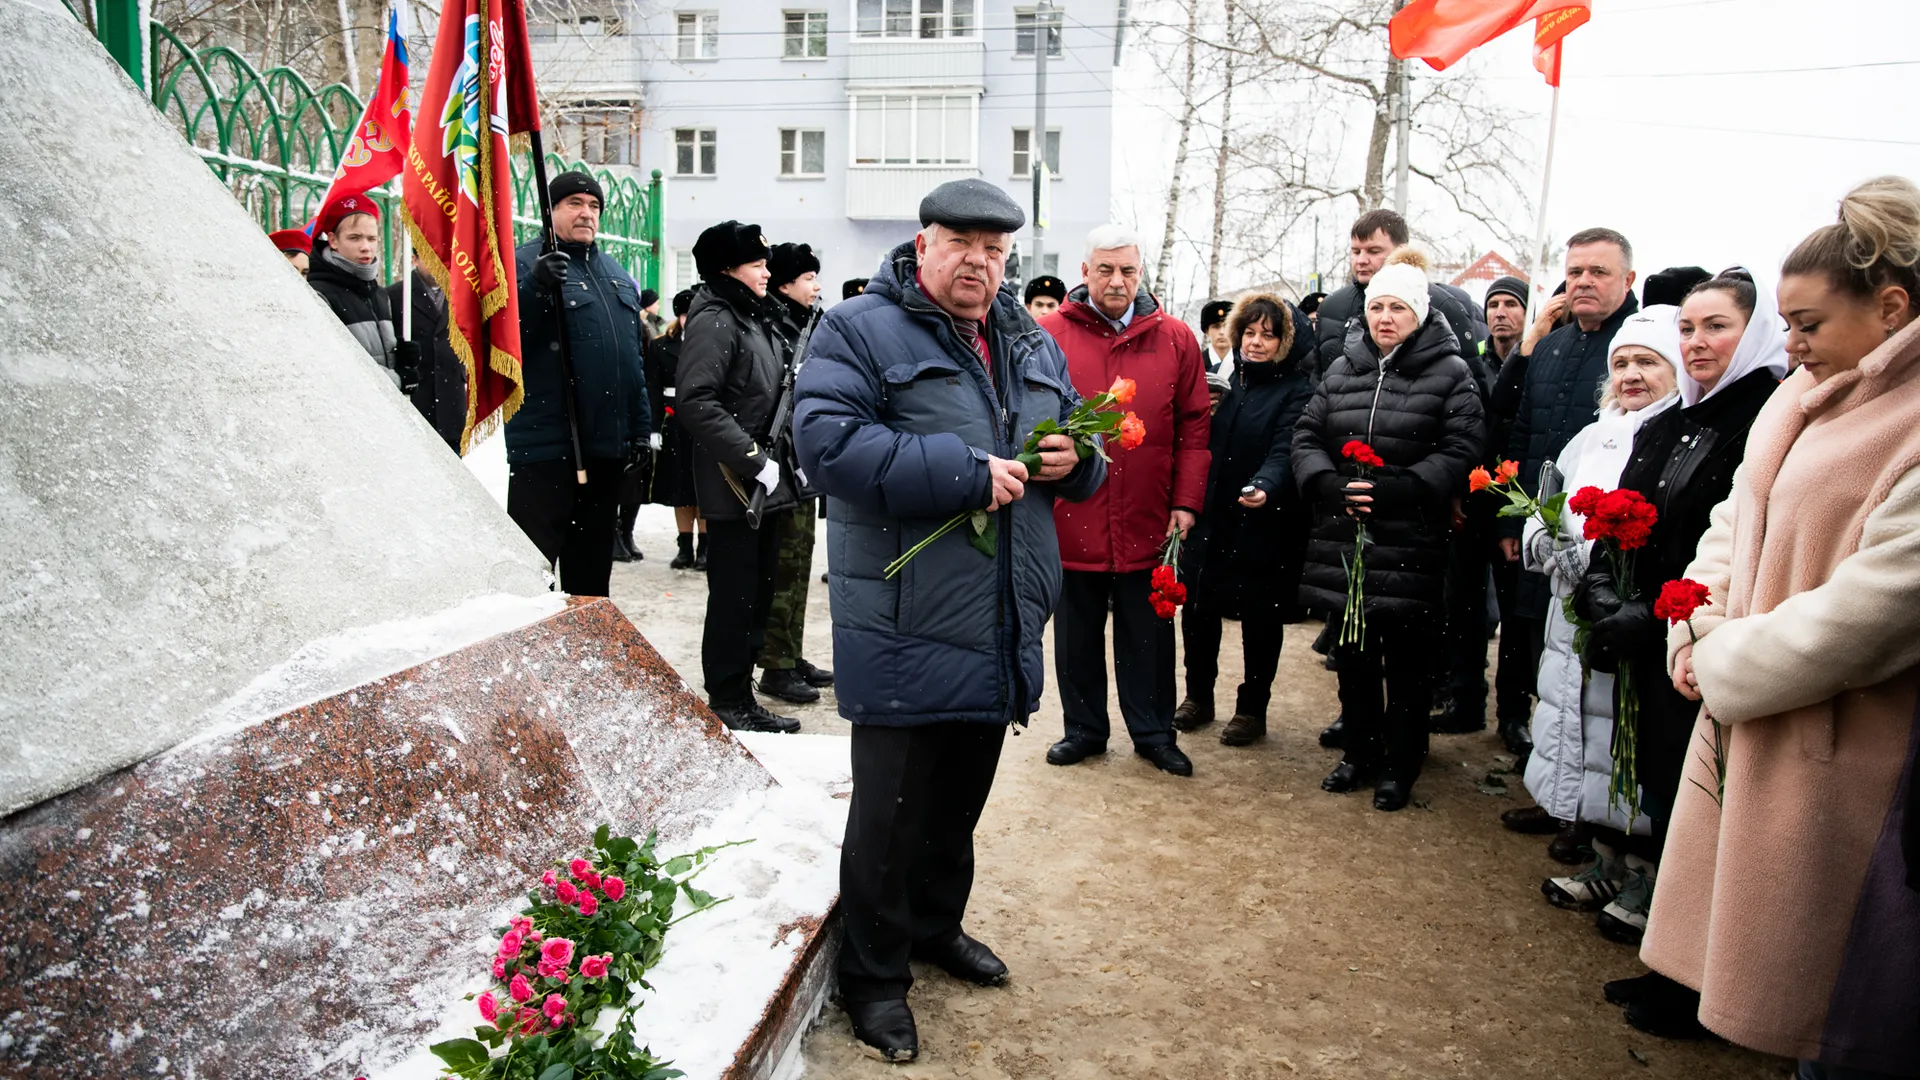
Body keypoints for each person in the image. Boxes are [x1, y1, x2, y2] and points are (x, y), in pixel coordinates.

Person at [793, 178, 1105, 1062]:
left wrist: (1077, 460)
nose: (979, 262)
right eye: (961, 243)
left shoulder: (1028, 339)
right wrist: (965, 472)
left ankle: (934, 927)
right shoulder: (857, 328)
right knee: (890, 816)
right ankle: (874, 977)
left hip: (999, 615)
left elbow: (1079, 448)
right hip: (903, 617)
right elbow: (826, 446)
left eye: (995, 250)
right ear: (923, 244)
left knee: (958, 803)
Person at [1638, 177, 1920, 1077]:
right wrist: (1693, 623)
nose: (1789, 344)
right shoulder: (1799, 395)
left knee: (1844, 1001)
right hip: (1756, 704)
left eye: (1808, 324)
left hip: (1849, 744)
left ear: (1890, 308)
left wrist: (1726, 663)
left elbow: (1874, 611)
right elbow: (1735, 518)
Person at [1564, 266, 1788, 1035]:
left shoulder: (1760, 420)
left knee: (1704, 811)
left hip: (1701, 641)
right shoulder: (1668, 422)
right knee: (1664, 799)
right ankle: (1670, 961)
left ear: (1754, 333)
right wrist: (1603, 592)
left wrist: (1653, 612)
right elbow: (1621, 518)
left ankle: (1702, 982)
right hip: (1649, 635)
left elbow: (1723, 544)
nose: (1696, 342)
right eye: (1687, 327)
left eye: (1716, 327)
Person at [1293, 247, 1484, 812]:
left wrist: (1404, 488)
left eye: (1398, 307)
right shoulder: (1343, 367)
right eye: (1377, 307)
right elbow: (1307, 434)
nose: (1384, 318)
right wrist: (1327, 483)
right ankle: (1359, 751)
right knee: (1353, 654)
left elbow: (1464, 446)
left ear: (1419, 314)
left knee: (1406, 663)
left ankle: (1400, 764)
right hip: (1346, 533)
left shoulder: (1450, 373)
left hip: (1409, 536)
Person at [1518, 307, 1681, 913]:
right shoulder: (1594, 434)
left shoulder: (1674, 436)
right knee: (1585, 736)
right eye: (1622, 363)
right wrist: (1547, 543)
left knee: (1624, 739)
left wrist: (1611, 574)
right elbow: (1547, 500)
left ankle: (1643, 872)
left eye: (1648, 362)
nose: (1631, 375)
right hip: (1573, 609)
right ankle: (1604, 859)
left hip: (1629, 613)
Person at [1040, 224, 1211, 779]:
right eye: (1106, 269)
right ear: (1085, 271)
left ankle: (1154, 732)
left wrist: (1186, 501)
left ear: (1141, 273)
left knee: (1149, 635)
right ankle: (1084, 729)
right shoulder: (1049, 335)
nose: (1117, 281)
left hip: (1149, 513)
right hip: (1073, 513)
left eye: (1128, 270)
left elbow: (1194, 427)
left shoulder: (1176, 338)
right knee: (1076, 633)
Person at [1496, 228, 1641, 770]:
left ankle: (1581, 773)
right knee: (1530, 632)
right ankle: (1529, 737)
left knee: (1585, 651)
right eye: (1575, 271)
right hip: (1539, 523)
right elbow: (1523, 431)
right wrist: (1513, 521)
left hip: (1601, 535)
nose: (1584, 281)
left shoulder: (1636, 347)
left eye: (1598, 272)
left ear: (1628, 279)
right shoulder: (1552, 346)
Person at [678, 220, 805, 734]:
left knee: (759, 592)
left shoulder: (753, 316)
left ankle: (742, 694)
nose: (766, 272)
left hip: (764, 484)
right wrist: (753, 459)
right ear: (727, 269)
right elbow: (697, 401)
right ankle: (728, 699)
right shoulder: (717, 318)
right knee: (735, 597)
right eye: (757, 264)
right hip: (734, 485)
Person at [1173, 295, 1315, 746]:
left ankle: (1252, 708)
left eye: (1268, 336)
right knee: (1199, 608)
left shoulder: (1297, 389)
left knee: (1260, 616)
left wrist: (1265, 485)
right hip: (1214, 515)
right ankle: (1198, 696)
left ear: (1285, 342)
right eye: (1249, 333)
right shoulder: (1226, 383)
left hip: (1264, 520)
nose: (1255, 343)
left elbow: (1286, 448)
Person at [506, 171, 651, 598]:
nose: (586, 213)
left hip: (604, 450)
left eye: (594, 206)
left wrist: (640, 429)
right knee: (532, 578)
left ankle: (587, 642)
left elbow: (631, 362)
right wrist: (535, 286)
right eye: (574, 204)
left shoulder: (616, 274)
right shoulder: (521, 264)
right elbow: (505, 344)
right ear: (549, 211)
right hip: (547, 448)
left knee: (591, 579)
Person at [756, 241, 835, 705]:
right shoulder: (774, 326)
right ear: (785, 285)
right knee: (783, 565)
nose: (817, 286)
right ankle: (776, 664)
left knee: (800, 561)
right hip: (779, 466)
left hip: (801, 464)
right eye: (808, 278)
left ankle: (791, 652)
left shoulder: (805, 323)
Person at [1312, 209, 1487, 385]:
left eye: (1373, 251)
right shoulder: (1331, 307)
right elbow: (1318, 382)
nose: (1361, 260)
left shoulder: (1442, 305)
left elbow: (1469, 385)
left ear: (1401, 250)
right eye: (1356, 252)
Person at [307, 195, 408, 391]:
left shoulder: (379, 294)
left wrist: (401, 359)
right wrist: (397, 380)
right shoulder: (318, 293)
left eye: (371, 239)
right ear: (333, 240)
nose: (365, 247)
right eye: (354, 238)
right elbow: (339, 364)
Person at [646, 290, 706, 570]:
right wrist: (654, 427)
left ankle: (705, 547)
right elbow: (653, 389)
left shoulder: (711, 343)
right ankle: (684, 547)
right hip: (675, 423)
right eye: (683, 315)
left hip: (704, 424)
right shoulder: (661, 346)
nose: (687, 321)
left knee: (702, 489)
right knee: (680, 490)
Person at [388, 267, 467, 452]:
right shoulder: (396, 295)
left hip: (452, 406)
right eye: (429, 255)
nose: (436, 262)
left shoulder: (462, 293)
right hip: (416, 401)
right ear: (414, 259)